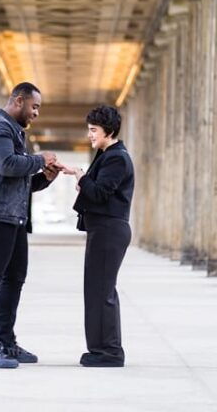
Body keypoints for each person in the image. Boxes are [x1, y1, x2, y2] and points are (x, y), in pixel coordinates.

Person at [0, 82, 64, 368]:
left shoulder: (15, 133)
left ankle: (5, 342)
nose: (36, 113)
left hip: (11, 217)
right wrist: (38, 159)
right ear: (18, 101)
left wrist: (45, 176)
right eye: (34, 107)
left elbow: (18, 182)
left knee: (14, 279)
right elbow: (5, 165)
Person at [60, 105, 133, 367]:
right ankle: (100, 349)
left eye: (93, 130)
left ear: (109, 131)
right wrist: (78, 173)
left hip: (110, 230)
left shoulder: (117, 157)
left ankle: (110, 352)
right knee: (97, 291)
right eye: (89, 129)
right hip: (104, 230)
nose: (89, 135)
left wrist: (80, 176)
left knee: (102, 292)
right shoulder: (107, 155)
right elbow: (98, 187)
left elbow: (100, 193)